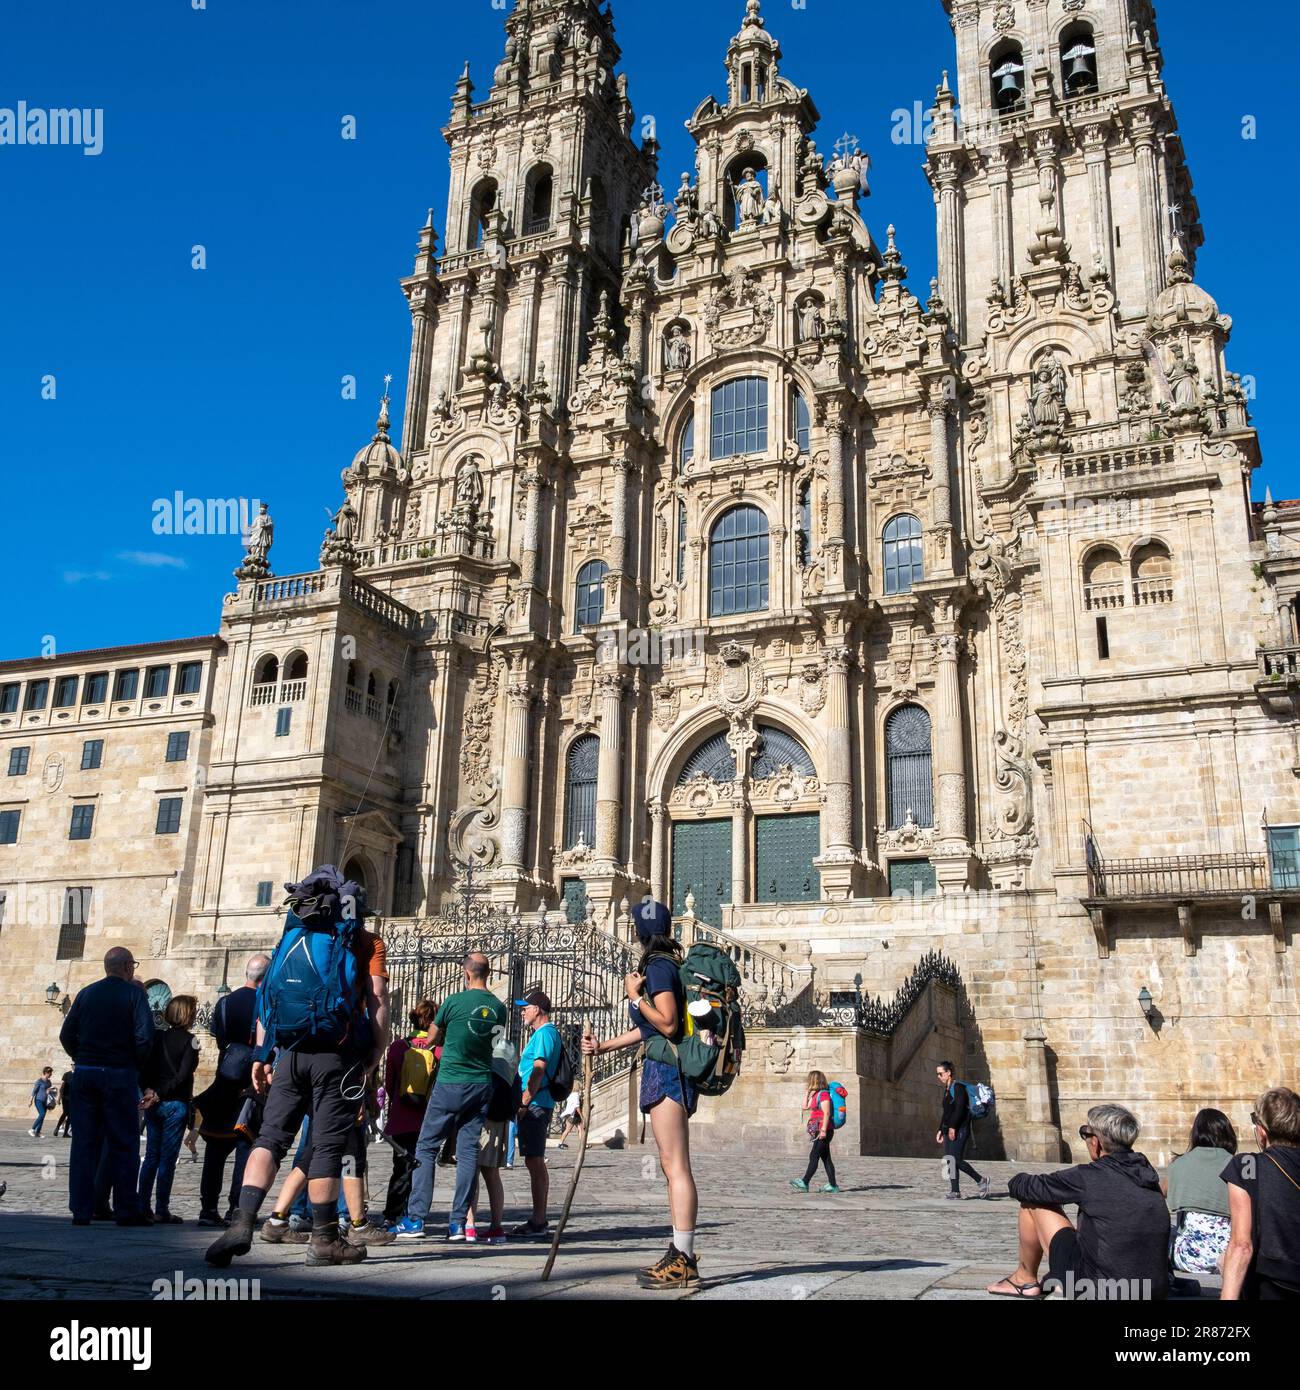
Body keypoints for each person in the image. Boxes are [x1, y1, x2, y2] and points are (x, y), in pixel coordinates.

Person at [204, 865, 390, 1268]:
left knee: (270, 1138)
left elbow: (267, 1000)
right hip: (337, 1056)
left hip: (290, 1051)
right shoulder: (366, 941)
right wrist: (376, 1049)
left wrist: (262, 1054)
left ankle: (241, 1222)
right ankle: (325, 1240)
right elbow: (377, 1000)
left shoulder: (292, 937)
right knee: (325, 1146)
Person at [582, 899, 701, 1290]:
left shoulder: (658, 967)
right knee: (670, 1166)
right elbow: (648, 1030)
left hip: (667, 1071)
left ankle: (684, 1258)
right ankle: (678, 1251)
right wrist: (604, 1047)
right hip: (660, 1067)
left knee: (676, 1164)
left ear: (640, 931)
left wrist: (634, 997)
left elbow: (666, 1023)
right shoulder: (663, 965)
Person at [987, 1103, 1170, 1300]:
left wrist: (1018, 1178)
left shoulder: (1090, 1176)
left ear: (1096, 1142)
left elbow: (1024, 1187)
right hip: (1153, 1291)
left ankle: (1023, 1279)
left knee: (1033, 1202)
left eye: (1086, 1133)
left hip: (1103, 1292)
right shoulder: (1147, 1173)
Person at [391, 951, 508, 1241]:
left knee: (427, 1146)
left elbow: (431, 1039)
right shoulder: (498, 1007)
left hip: (450, 1081)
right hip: (481, 1084)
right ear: (488, 973)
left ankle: (416, 1219)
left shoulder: (453, 1002)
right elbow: (495, 1045)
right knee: (467, 1153)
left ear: (467, 973)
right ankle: (458, 1224)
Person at [59, 947, 156, 1225]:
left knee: (84, 1143)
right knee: (123, 1141)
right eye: (133, 965)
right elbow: (144, 1037)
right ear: (127, 966)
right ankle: (126, 1210)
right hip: (119, 1073)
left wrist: (82, 1057)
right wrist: (133, 1064)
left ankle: (81, 1209)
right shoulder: (134, 994)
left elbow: (67, 1033)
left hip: (86, 1073)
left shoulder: (86, 993)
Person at [189, 953, 268, 1227]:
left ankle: (207, 1208)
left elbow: (219, 1037)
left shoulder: (225, 1003)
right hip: (251, 1086)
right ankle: (237, 1208)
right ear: (265, 977)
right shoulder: (266, 1003)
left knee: (215, 1149)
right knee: (245, 1149)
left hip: (225, 1079)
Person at [1221, 1087, 1300, 1300]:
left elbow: (1241, 1245)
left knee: (1225, 1259)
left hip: (1273, 1283)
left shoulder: (1247, 1165)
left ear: (1262, 1130)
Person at [138, 995, 200, 1222]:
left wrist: (149, 1091)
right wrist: (160, 1093)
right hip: (175, 1103)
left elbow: (144, 1067)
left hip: (154, 1103)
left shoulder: (157, 1037)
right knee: (167, 1158)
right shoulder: (192, 1041)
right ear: (187, 1015)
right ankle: (162, 1209)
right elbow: (184, 1074)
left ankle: (142, 1205)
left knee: (152, 1155)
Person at [382, 1000, 440, 1225]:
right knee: (422, 1165)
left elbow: (389, 1084)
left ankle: (392, 1214)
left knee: (400, 1167)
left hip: (401, 1115)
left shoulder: (398, 1046)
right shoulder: (438, 1049)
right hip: (426, 1117)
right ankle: (414, 1214)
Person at [511, 988, 562, 1238]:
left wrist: (524, 1100)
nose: (522, 1011)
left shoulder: (545, 1034)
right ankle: (538, 1217)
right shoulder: (544, 1034)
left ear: (537, 1010)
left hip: (536, 1103)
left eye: (526, 1007)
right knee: (534, 1159)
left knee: (534, 1159)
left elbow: (539, 1070)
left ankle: (539, 1219)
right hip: (537, 1102)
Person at [1163, 1108, 1237, 1276]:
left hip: (1187, 1257)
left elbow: (1157, 1195)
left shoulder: (1179, 1165)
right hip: (1229, 1258)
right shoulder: (1237, 1165)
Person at [467, 1034, 518, 1245]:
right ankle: (496, 1227)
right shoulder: (511, 1073)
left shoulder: (486, 1066)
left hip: (481, 1121)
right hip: (501, 1123)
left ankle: (469, 1225)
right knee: (492, 1175)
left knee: (471, 1171)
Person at [935, 1060, 988, 1200]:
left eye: (940, 1073)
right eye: (938, 1074)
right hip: (949, 1129)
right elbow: (946, 1112)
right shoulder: (947, 1088)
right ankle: (955, 1191)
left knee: (956, 1159)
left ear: (948, 1073)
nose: (938, 1076)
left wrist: (953, 1127)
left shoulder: (957, 1087)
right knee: (949, 1160)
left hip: (961, 1128)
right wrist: (941, 1129)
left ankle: (981, 1180)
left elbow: (959, 1110)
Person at [791, 1070, 839, 1194]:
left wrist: (823, 1130)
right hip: (818, 1129)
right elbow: (805, 1107)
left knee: (814, 1156)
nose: (808, 1082)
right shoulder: (816, 1094)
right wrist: (807, 1094)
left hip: (824, 1130)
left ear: (814, 1080)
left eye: (810, 1080)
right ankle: (833, 1185)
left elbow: (827, 1113)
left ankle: (805, 1182)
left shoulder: (823, 1095)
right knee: (826, 1159)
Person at [29, 1066, 55, 1138]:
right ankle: (32, 1129)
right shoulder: (39, 1081)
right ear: (46, 1073)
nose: (51, 1074)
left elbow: (49, 1091)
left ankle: (38, 1132)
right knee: (42, 1114)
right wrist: (30, 1100)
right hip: (38, 1100)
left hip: (46, 1101)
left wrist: (50, 1090)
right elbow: (34, 1091)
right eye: (50, 1073)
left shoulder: (49, 1082)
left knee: (42, 1116)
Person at [53, 1068, 75, 1138]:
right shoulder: (66, 1074)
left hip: (74, 1098)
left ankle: (65, 1133)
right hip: (65, 1098)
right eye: (73, 1064)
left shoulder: (79, 1074)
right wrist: (59, 1098)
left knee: (70, 1115)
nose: (74, 1066)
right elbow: (62, 1087)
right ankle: (57, 1127)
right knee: (65, 1112)